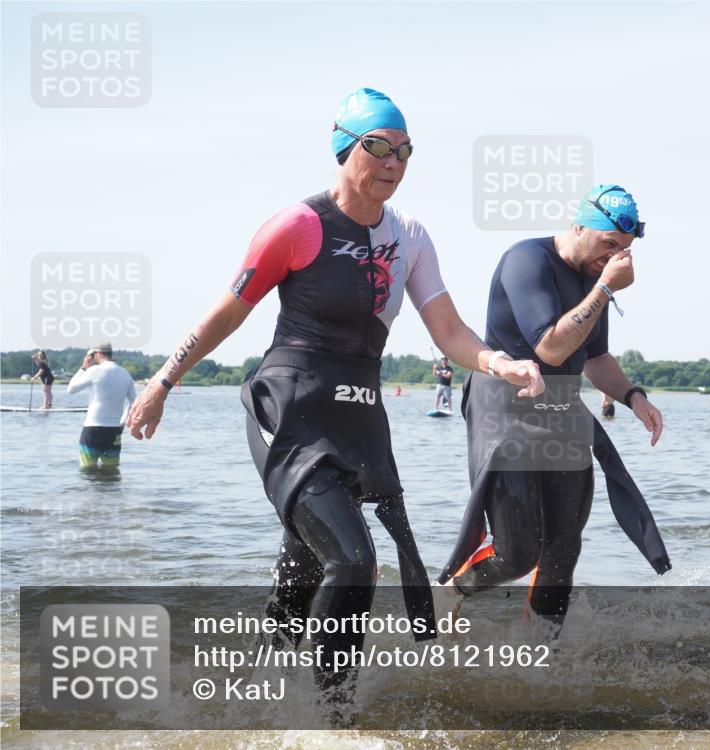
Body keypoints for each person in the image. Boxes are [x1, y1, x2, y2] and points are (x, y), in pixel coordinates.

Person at [124, 88, 543, 697]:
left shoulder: (411, 236)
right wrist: (164, 381)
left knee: (303, 577)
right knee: (354, 560)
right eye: (379, 148)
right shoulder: (297, 226)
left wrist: (497, 361)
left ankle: (251, 696)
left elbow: (448, 329)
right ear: (345, 146)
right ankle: (330, 716)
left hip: (357, 421)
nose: (393, 162)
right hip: (289, 411)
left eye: (405, 151)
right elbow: (227, 312)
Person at [437, 184, 671, 626]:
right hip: (504, 403)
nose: (615, 257)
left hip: (559, 406)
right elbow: (550, 349)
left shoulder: (591, 278)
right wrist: (604, 287)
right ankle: (452, 590)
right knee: (518, 551)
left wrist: (633, 397)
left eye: (624, 249)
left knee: (564, 546)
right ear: (579, 226)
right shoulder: (528, 261)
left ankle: (541, 653)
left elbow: (595, 357)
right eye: (609, 245)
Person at [67, 343, 136, 471]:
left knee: (87, 473)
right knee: (112, 472)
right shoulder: (125, 374)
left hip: (93, 429)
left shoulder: (94, 371)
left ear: (97, 354)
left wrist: (83, 367)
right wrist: (123, 421)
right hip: (114, 430)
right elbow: (135, 403)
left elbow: (71, 389)